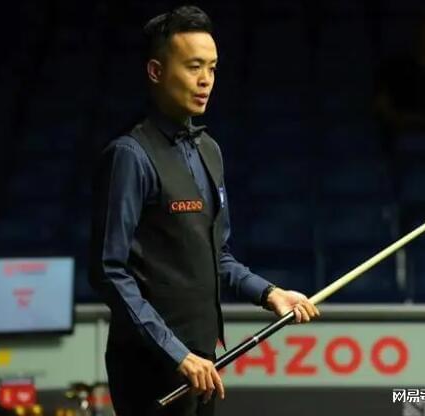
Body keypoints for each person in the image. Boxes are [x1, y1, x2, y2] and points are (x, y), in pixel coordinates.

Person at [88, 6, 320, 416]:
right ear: (156, 71)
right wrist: (176, 352)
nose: (206, 80)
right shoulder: (130, 155)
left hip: (203, 362)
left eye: (212, 68)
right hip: (151, 366)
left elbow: (217, 255)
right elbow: (108, 271)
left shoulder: (209, 150)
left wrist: (270, 294)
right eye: (194, 66)